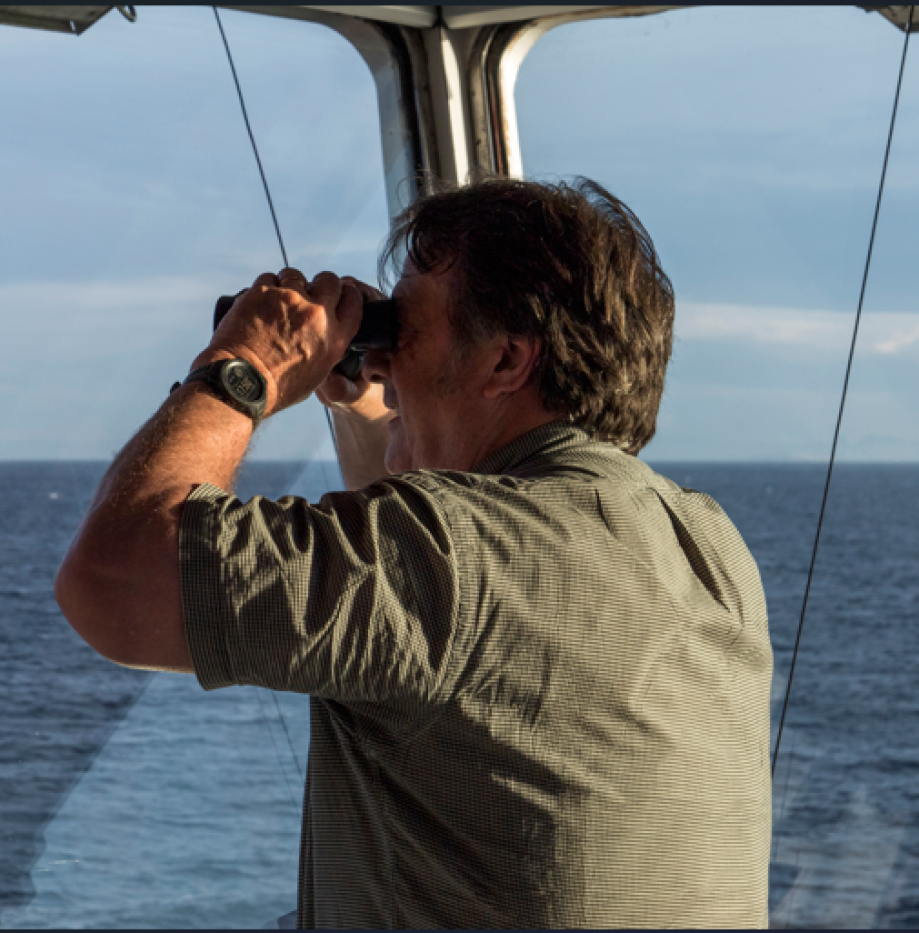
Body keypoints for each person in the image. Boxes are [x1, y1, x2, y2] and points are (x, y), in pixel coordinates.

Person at [55, 177, 773, 928]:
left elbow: (112, 582)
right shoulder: (712, 548)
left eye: (406, 334)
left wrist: (245, 367)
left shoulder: (452, 552)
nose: (386, 362)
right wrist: (371, 395)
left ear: (504, 362)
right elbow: (433, 611)